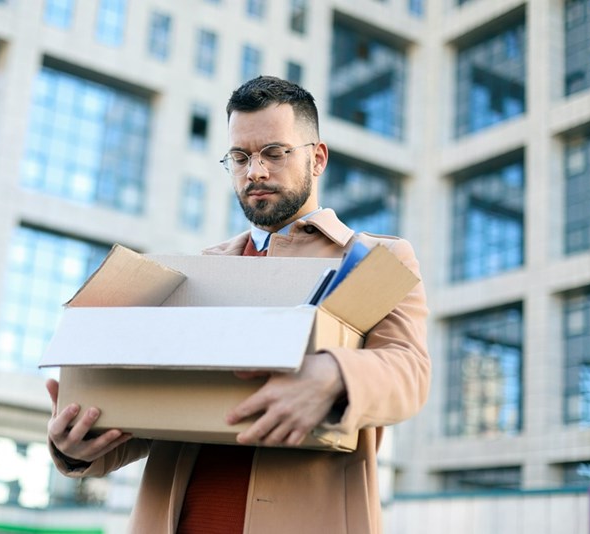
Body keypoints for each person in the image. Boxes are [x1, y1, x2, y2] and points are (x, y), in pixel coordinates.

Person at [46, 75, 430, 534]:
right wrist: (79, 444)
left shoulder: (374, 260)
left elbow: (409, 371)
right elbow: (159, 408)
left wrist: (334, 374)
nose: (256, 172)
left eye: (274, 152)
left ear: (318, 157)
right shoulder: (196, 273)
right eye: (240, 157)